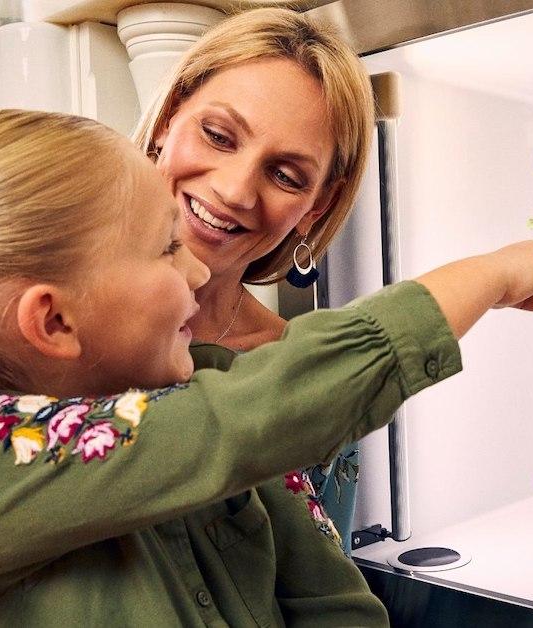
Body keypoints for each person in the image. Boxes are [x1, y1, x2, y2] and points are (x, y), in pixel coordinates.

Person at [0, 109, 533, 626]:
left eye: (291, 173)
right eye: (163, 247)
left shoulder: (204, 388)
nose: (193, 267)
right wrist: (488, 273)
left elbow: (329, 600)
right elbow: (246, 418)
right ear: (54, 320)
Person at [135, 7, 374, 551]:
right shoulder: (13, 315)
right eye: (219, 135)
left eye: (286, 175)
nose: (237, 190)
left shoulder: (309, 379)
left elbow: (320, 585)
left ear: (318, 206)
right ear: (170, 115)